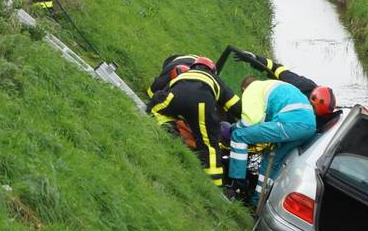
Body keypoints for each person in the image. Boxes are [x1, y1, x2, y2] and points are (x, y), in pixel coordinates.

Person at [144, 55, 241, 186]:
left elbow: (163, 91)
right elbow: (235, 106)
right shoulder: (215, 79)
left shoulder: (185, 73)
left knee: (154, 108)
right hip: (201, 104)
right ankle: (214, 183)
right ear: (212, 71)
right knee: (209, 144)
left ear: (194, 66)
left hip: (175, 97)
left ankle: (167, 126)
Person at [225, 79, 317, 205]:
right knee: (271, 160)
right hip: (309, 128)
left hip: (290, 123)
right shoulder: (272, 86)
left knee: (239, 136)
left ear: (244, 89)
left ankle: (237, 187)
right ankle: (257, 202)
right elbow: (263, 120)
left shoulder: (252, 88)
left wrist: (232, 128)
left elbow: (249, 121)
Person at [230, 46, 338, 126]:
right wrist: (255, 59)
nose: (312, 111)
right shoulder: (302, 85)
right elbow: (278, 69)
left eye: (315, 112)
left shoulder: (321, 122)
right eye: (313, 108)